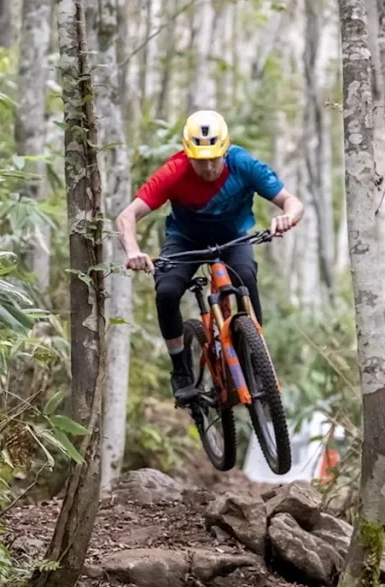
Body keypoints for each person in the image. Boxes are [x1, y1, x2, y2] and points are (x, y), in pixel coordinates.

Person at [116, 110, 305, 403]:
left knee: (246, 277)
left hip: (234, 238)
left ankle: (256, 358)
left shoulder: (242, 164)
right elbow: (127, 216)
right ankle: (180, 369)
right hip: (186, 240)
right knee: (166, 292)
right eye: (200, 161)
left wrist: (287, 218)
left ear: (225, 150)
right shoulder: (174, 171)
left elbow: (292, 202)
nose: (208, 168)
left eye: (214, 159)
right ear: (188, 155)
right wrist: (133, 251)